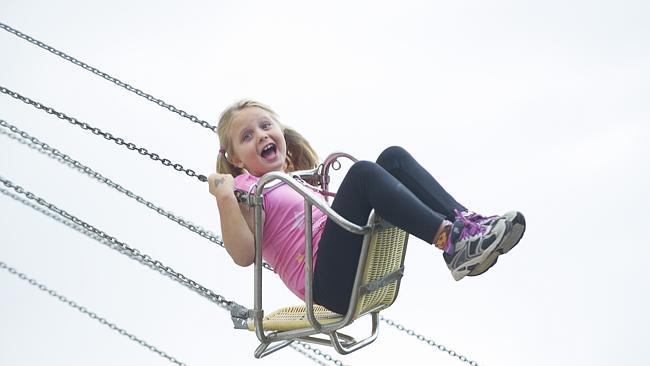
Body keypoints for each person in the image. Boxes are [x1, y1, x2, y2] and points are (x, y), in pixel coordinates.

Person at [208, 100, 526, 315]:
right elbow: (244, 254)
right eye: (247, 136)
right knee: (362, 174)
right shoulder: (247, 187)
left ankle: (466, 228)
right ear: (236, 159)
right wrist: (224, 195)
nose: (261, 135)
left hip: (346, 259)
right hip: (326, 283)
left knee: (393, 159)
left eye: (265, 126)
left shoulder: (294, 181)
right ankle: (450, 241)